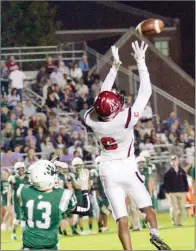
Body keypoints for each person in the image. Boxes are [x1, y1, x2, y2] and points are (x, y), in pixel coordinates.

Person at [83, 41, 171, 250]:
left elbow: (102, 97)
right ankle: (154, 233)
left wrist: (114, 66)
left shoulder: (92, 120)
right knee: (147, 207)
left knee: (121, 218)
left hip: (107, 168)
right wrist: (140, 61)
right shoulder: (126, 118)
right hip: (127, 166)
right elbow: (145, 91)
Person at [18, 159, 90, 250]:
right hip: (50, 247)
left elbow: (33, 185)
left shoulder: (23, 191)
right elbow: (86, 209)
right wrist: (84, 189)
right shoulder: (63, 195)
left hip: (27, 247)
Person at [164, 155, 189, 227]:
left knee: (182, 208)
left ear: (178, 161)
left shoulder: (182, 171)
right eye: (173, 160)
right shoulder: (168, 172)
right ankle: (174, 222)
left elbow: (185, 181)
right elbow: (166, 184)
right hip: (172, 193)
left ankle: (179, 222)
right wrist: (168, 192)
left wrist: (186, 190)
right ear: (170, 162)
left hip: (181, 192)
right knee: (174, 208)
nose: (174, 161)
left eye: (175, 160)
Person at [7, 162, 29, 240]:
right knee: (17, 218)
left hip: (25, 200)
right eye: (19, 169)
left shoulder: (27, 178)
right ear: (16, 170)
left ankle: (24, 235)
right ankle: (13, 233)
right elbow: (10, 191)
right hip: (17, 200)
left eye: (22, 168)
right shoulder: (13, 178)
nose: (21, 170)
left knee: (24, 218)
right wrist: (8, 202)